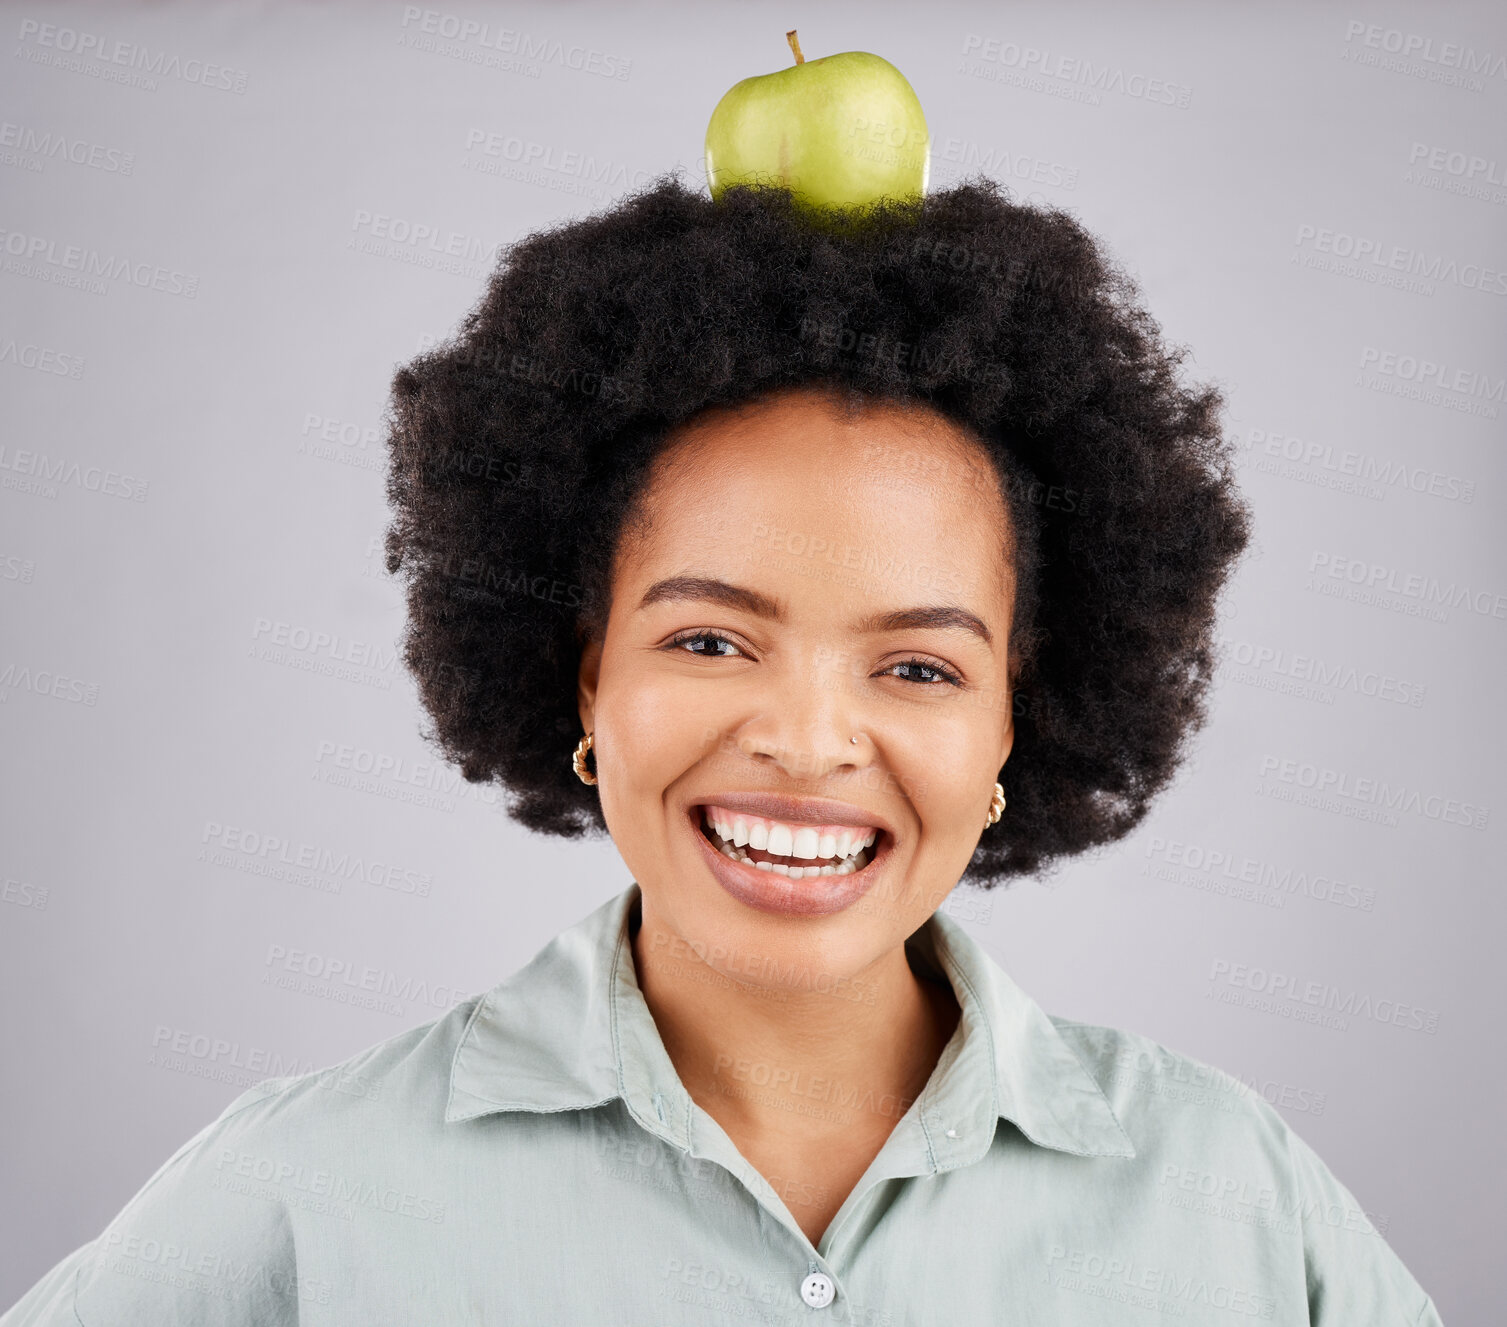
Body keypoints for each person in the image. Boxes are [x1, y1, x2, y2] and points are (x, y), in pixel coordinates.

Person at [2, 174, 1443, 1324]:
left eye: (919, 665)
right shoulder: (306, 1203)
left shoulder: (1234, 1202)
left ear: (1018, 715)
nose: (809, 741)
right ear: (584, 677)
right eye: (709, 639)